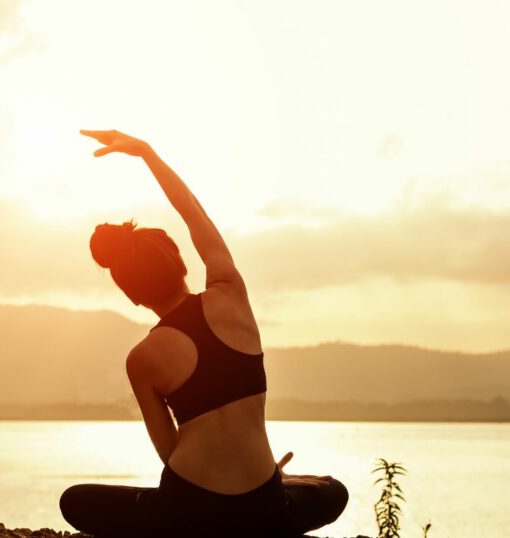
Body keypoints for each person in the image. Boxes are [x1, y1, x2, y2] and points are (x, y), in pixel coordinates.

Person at [59, 129, 348, 537]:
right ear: (180, 262)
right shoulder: (231, 295)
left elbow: (170, 452)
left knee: (76, 500)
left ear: (133, 296)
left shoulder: (142, 359)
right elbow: (193, 212)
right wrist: (146, 153)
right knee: (331, 491)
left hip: (187, 512)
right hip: (263, 507)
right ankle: (273, 494)